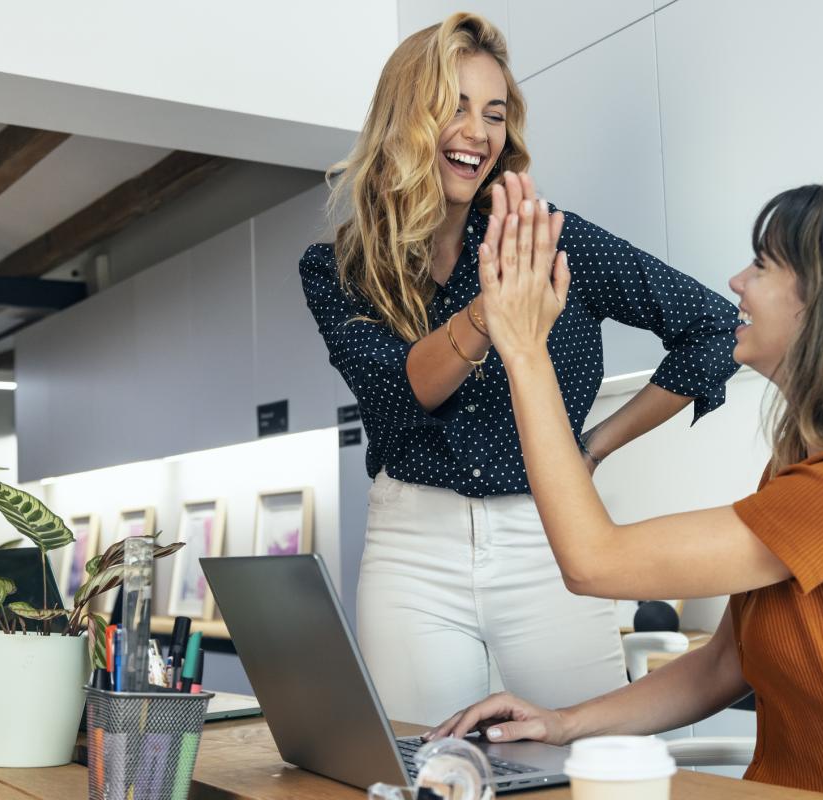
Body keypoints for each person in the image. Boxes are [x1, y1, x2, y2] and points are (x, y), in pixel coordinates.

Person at [428, 183, 823, 800]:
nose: (736, 281)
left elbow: (593, 561)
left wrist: (524, 349)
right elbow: (723, 664)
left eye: (762, 265)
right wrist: (562, 723)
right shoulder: (807, 466)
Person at [298, 13, 742, 726]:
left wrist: (590, 447)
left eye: (494, 113)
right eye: (455, 106)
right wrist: (488, 310)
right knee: (429, 765)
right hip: (413, 551)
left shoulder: (552, 237)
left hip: (552, 542)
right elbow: (402, 389)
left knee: (583, 759)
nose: (478, 131)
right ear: (406, 117)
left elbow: (717, 329)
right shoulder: (340, 269)